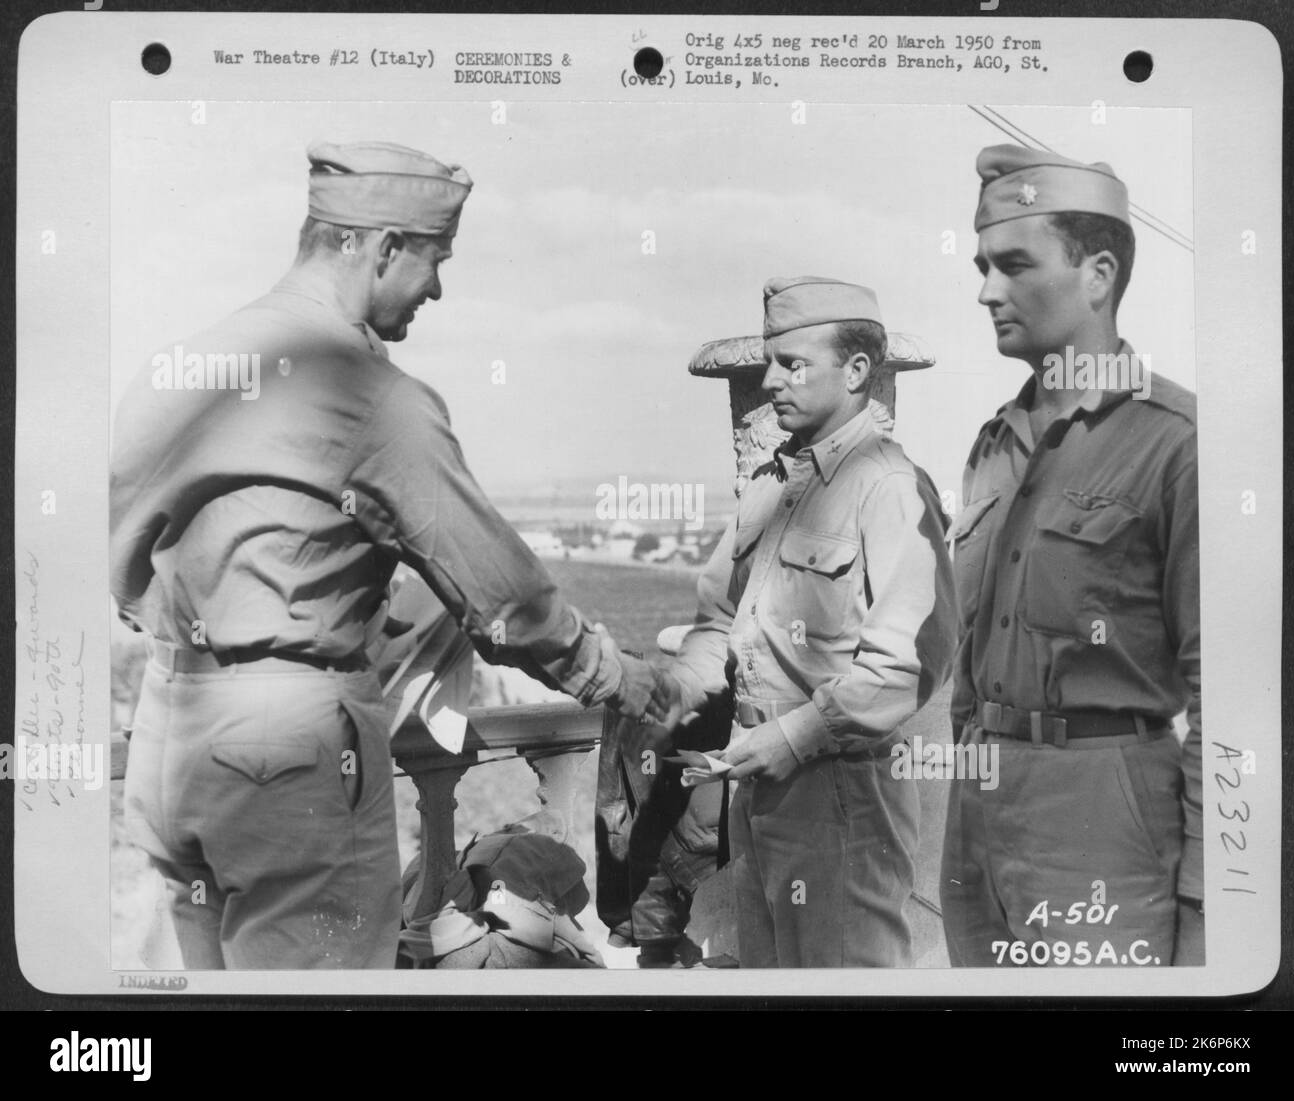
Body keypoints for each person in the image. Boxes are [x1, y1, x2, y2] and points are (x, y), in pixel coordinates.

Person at [110, 139, 664, 970]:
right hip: (290, 748)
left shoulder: (180, 369)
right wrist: (621, 678)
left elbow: (123, 562)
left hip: (168, 727)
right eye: (436, 258)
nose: (438, 285)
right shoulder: (371, 396)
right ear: (382, 247)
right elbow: (508, 602)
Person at [941, 144, 1203, 967]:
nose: (987, 289)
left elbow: (1231, 696)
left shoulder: (1177, 445)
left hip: (1103, 816)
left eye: (1014, 264)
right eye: (984, 265)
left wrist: (1202, 893)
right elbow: (971, 655)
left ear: (1097, 274)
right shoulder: (992, 446)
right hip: (976, 808)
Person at [660, 277, 957, 967]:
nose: (770, 382)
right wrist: (665, 689)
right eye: (770, 362)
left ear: (857, 372)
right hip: (755, 784)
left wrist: (789, 740)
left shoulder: (888, 486)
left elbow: (912, 661)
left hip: (839, 795)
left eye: (793, 364)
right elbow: (721, 620)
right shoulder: (772, 486)